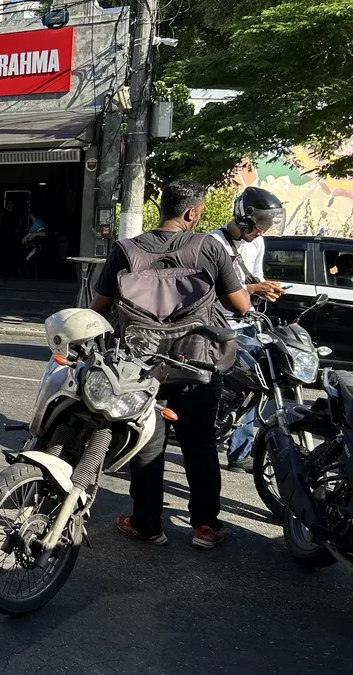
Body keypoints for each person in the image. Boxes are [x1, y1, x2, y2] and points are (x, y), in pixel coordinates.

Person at [91, 179, 251, 550]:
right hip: (197, 363)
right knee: (199, 446)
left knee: (147, 446)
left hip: (140, 365)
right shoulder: (208, 247)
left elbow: (98, 310)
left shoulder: (125, 250)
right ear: (192, 213)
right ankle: (205, 528)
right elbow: (240, 306)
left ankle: (147, 524)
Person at [211, 186, 287, 472]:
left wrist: (265, 290)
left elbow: (256, 279)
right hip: (218, 327)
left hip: (249, 324)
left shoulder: (257, 244)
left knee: (264, 380)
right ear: (244, 218)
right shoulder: (213, 243)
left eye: (267, 226)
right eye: (260, 225)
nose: (262, 232)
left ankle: (240, 450)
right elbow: (209, 291)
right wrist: (252, 288)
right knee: (215, 385)